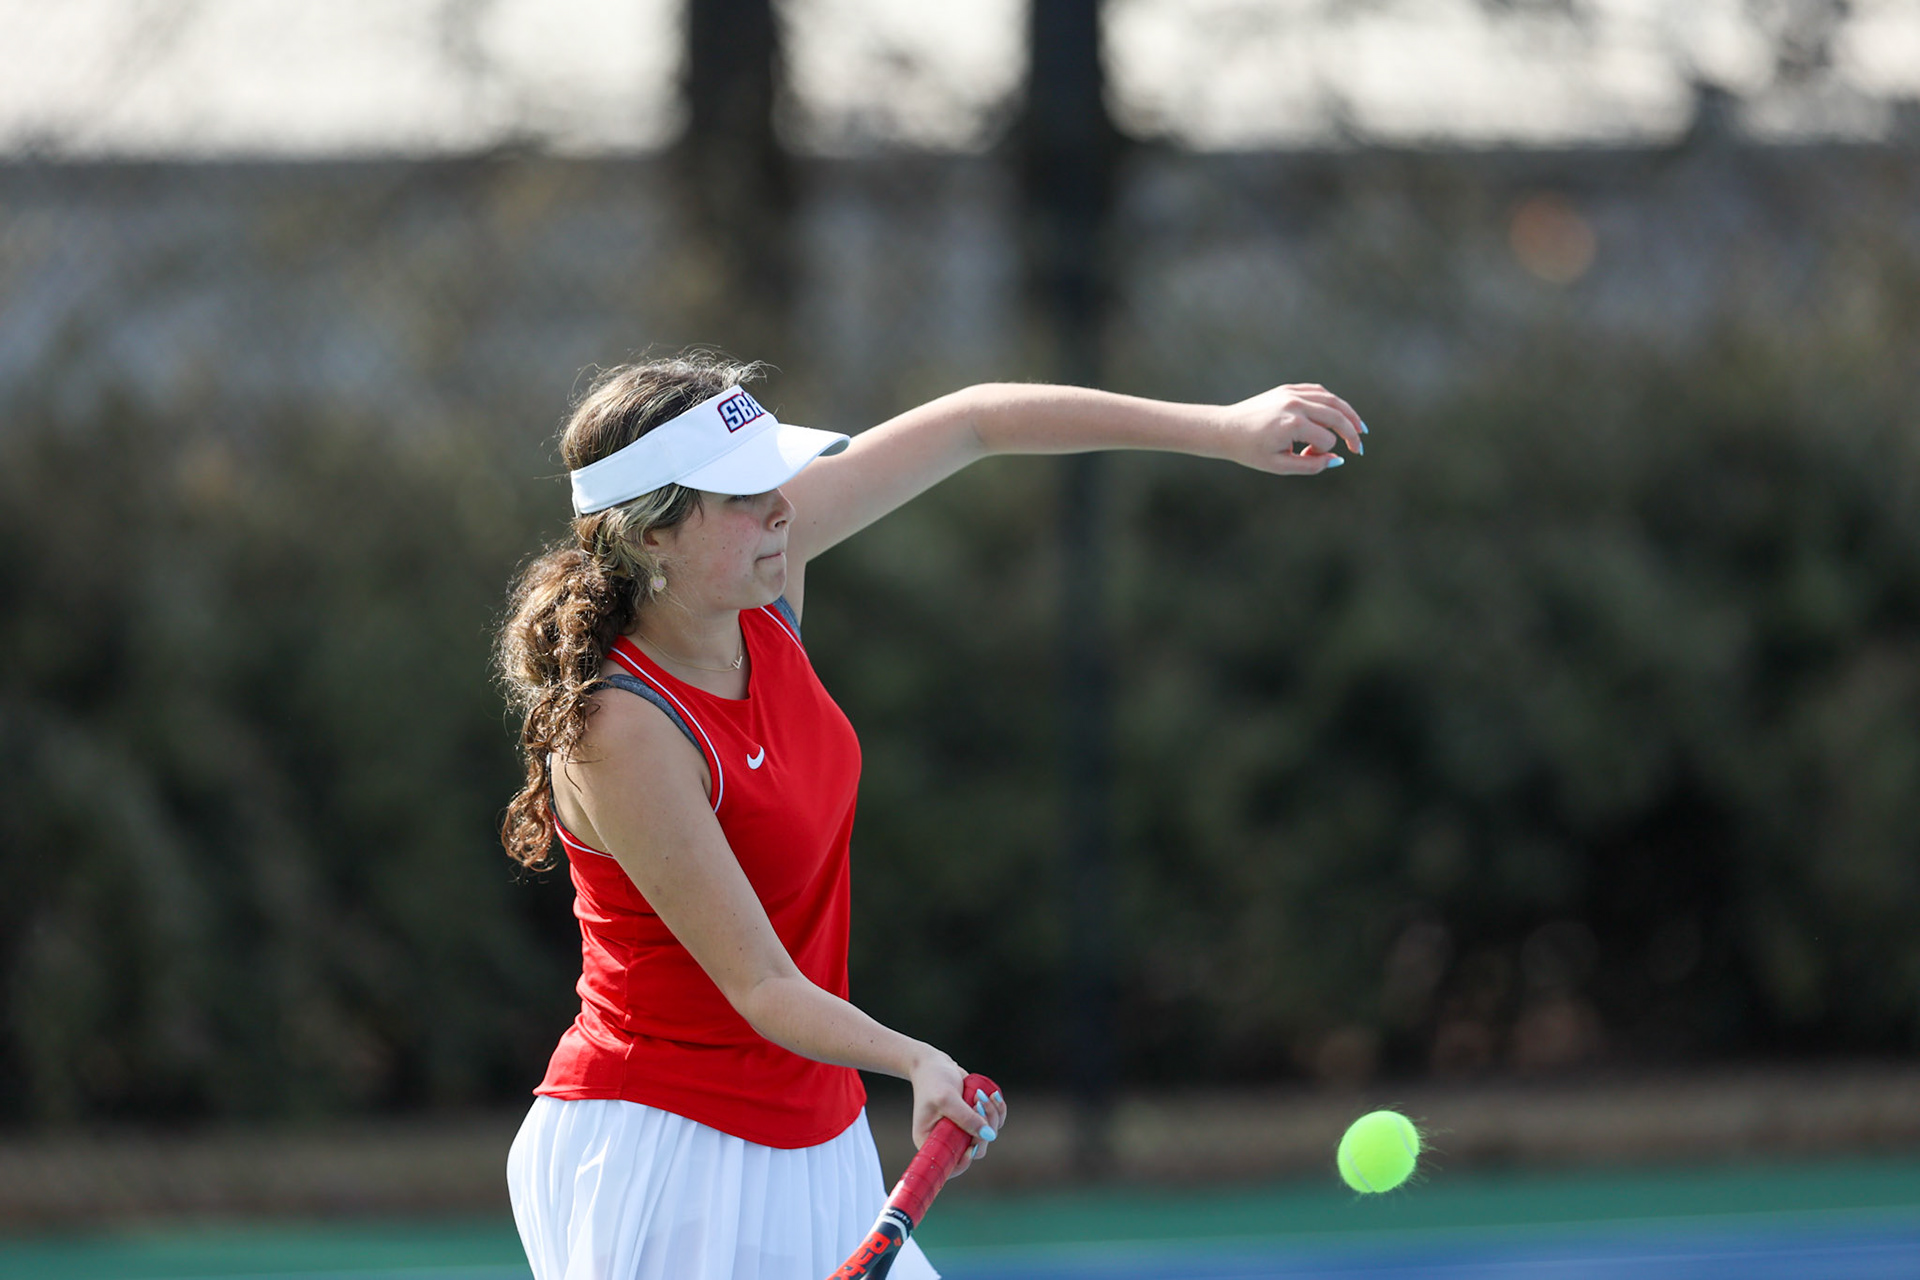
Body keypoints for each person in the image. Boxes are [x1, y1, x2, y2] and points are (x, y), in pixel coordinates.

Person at [494, 352, 1364, 1280]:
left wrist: (1222, 429)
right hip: (668, 1154)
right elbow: (762, 988)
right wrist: (913, 1061)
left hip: (815, 1137)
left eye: (774, 478)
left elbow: (975, 422)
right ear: (650, 536)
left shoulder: (761, 577)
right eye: (743, 494)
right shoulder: (619, 728)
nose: (782, 506)